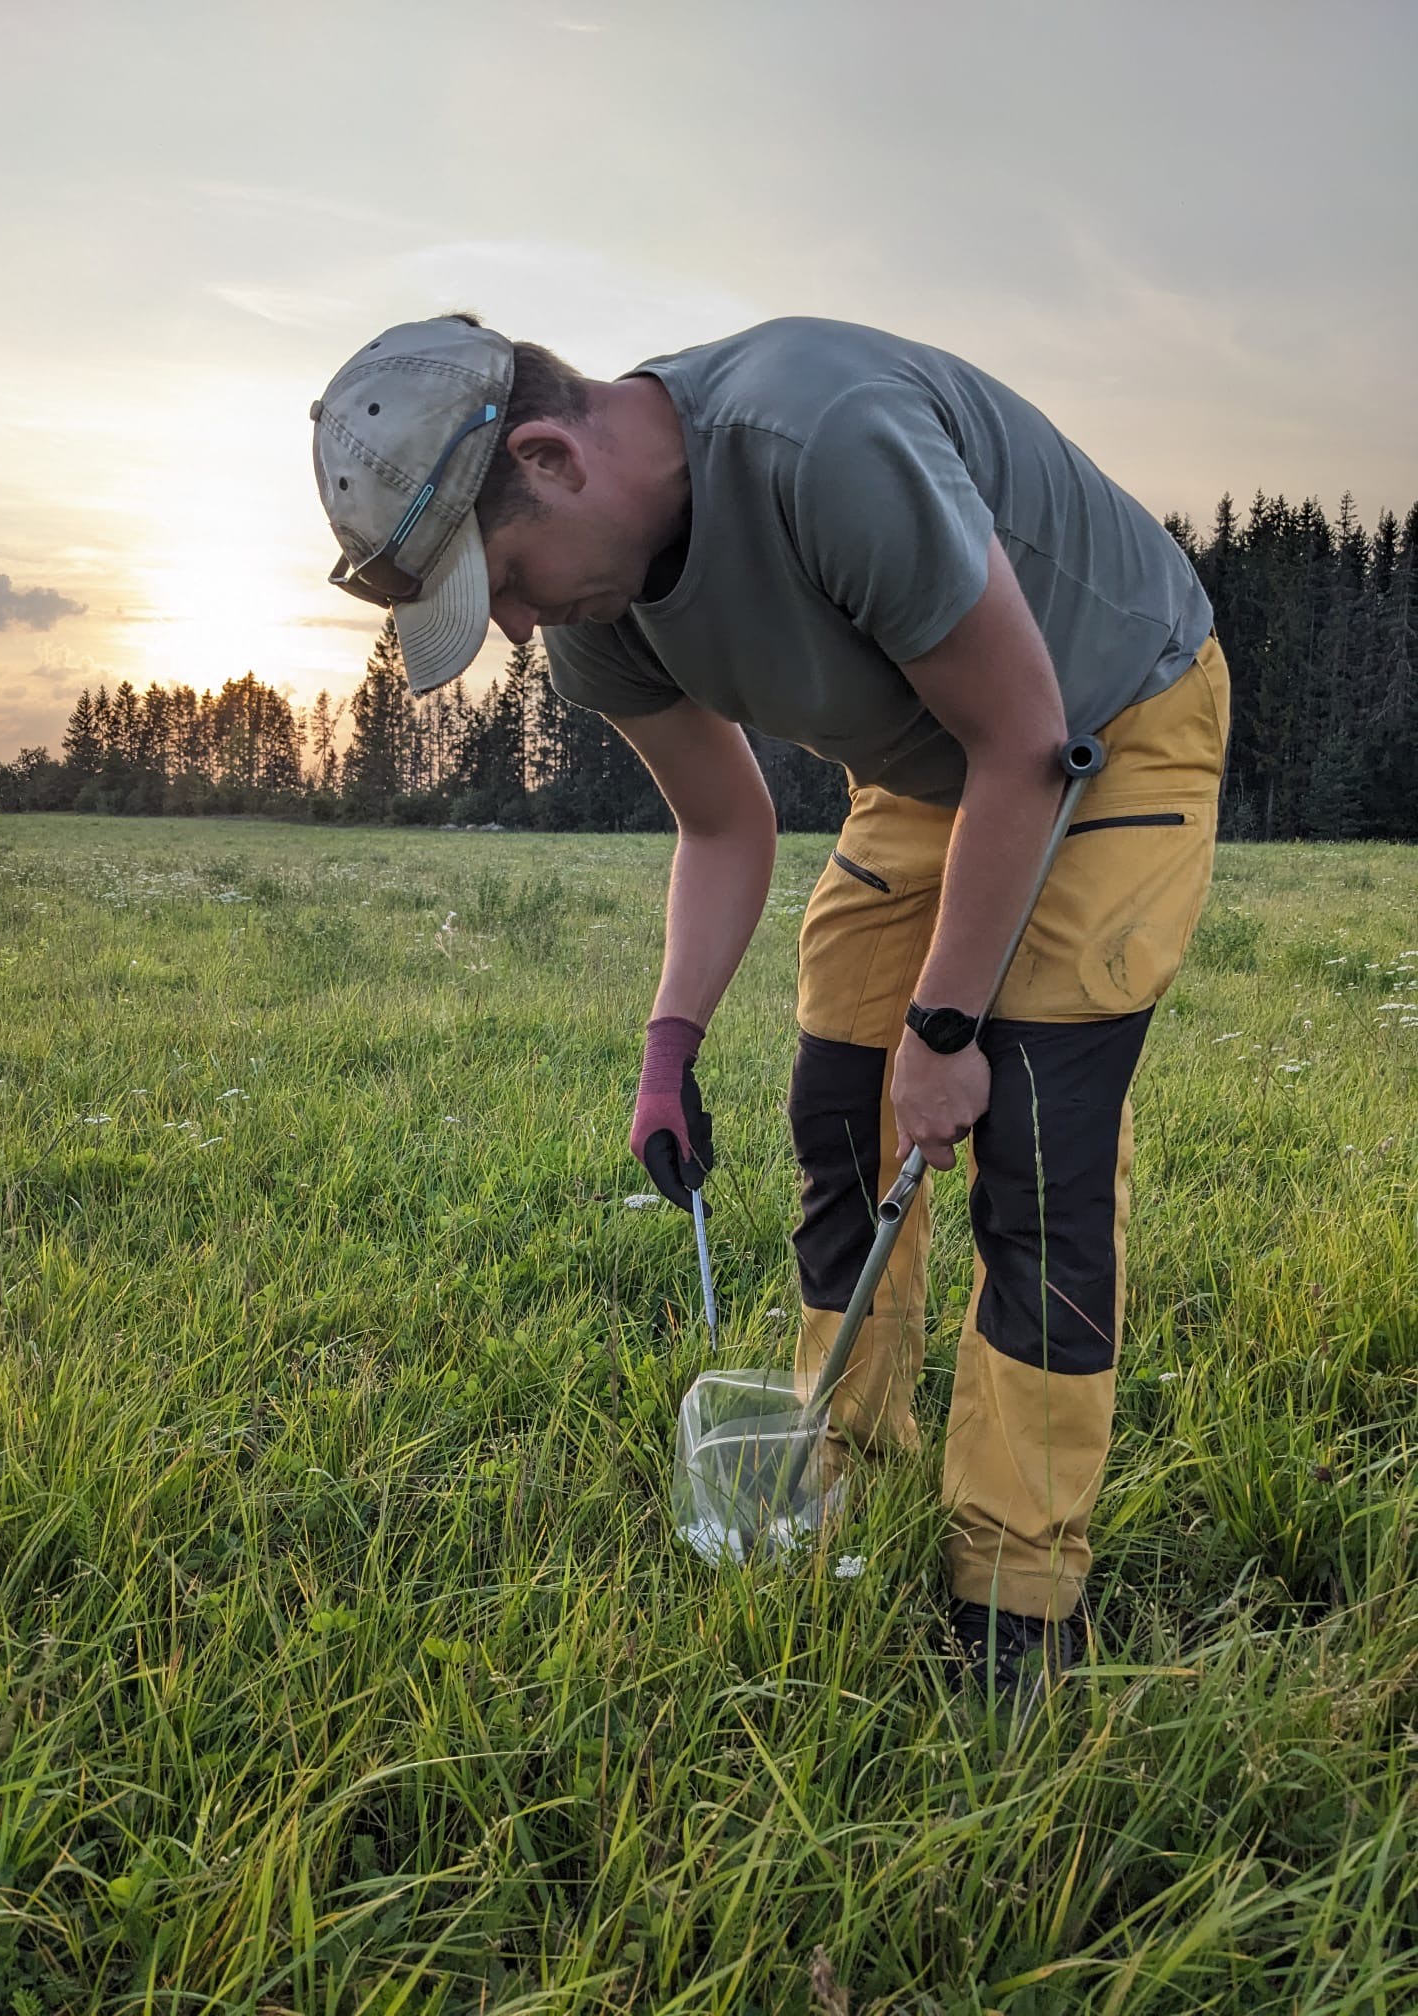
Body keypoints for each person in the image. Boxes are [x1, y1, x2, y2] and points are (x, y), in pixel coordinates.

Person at [309, 311, 1229, 1695]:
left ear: (553, 459)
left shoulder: (820, 439)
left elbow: (1030, 743)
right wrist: (666, 1049)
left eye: (498, 579)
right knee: (836, 1116)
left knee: (1032, 1155)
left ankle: (1016, 1598)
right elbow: (723, 828)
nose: (508, 624)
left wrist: (948, 1033)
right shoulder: (602, 620)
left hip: (1110, 723)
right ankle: (835, 1461)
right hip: (937, 771)